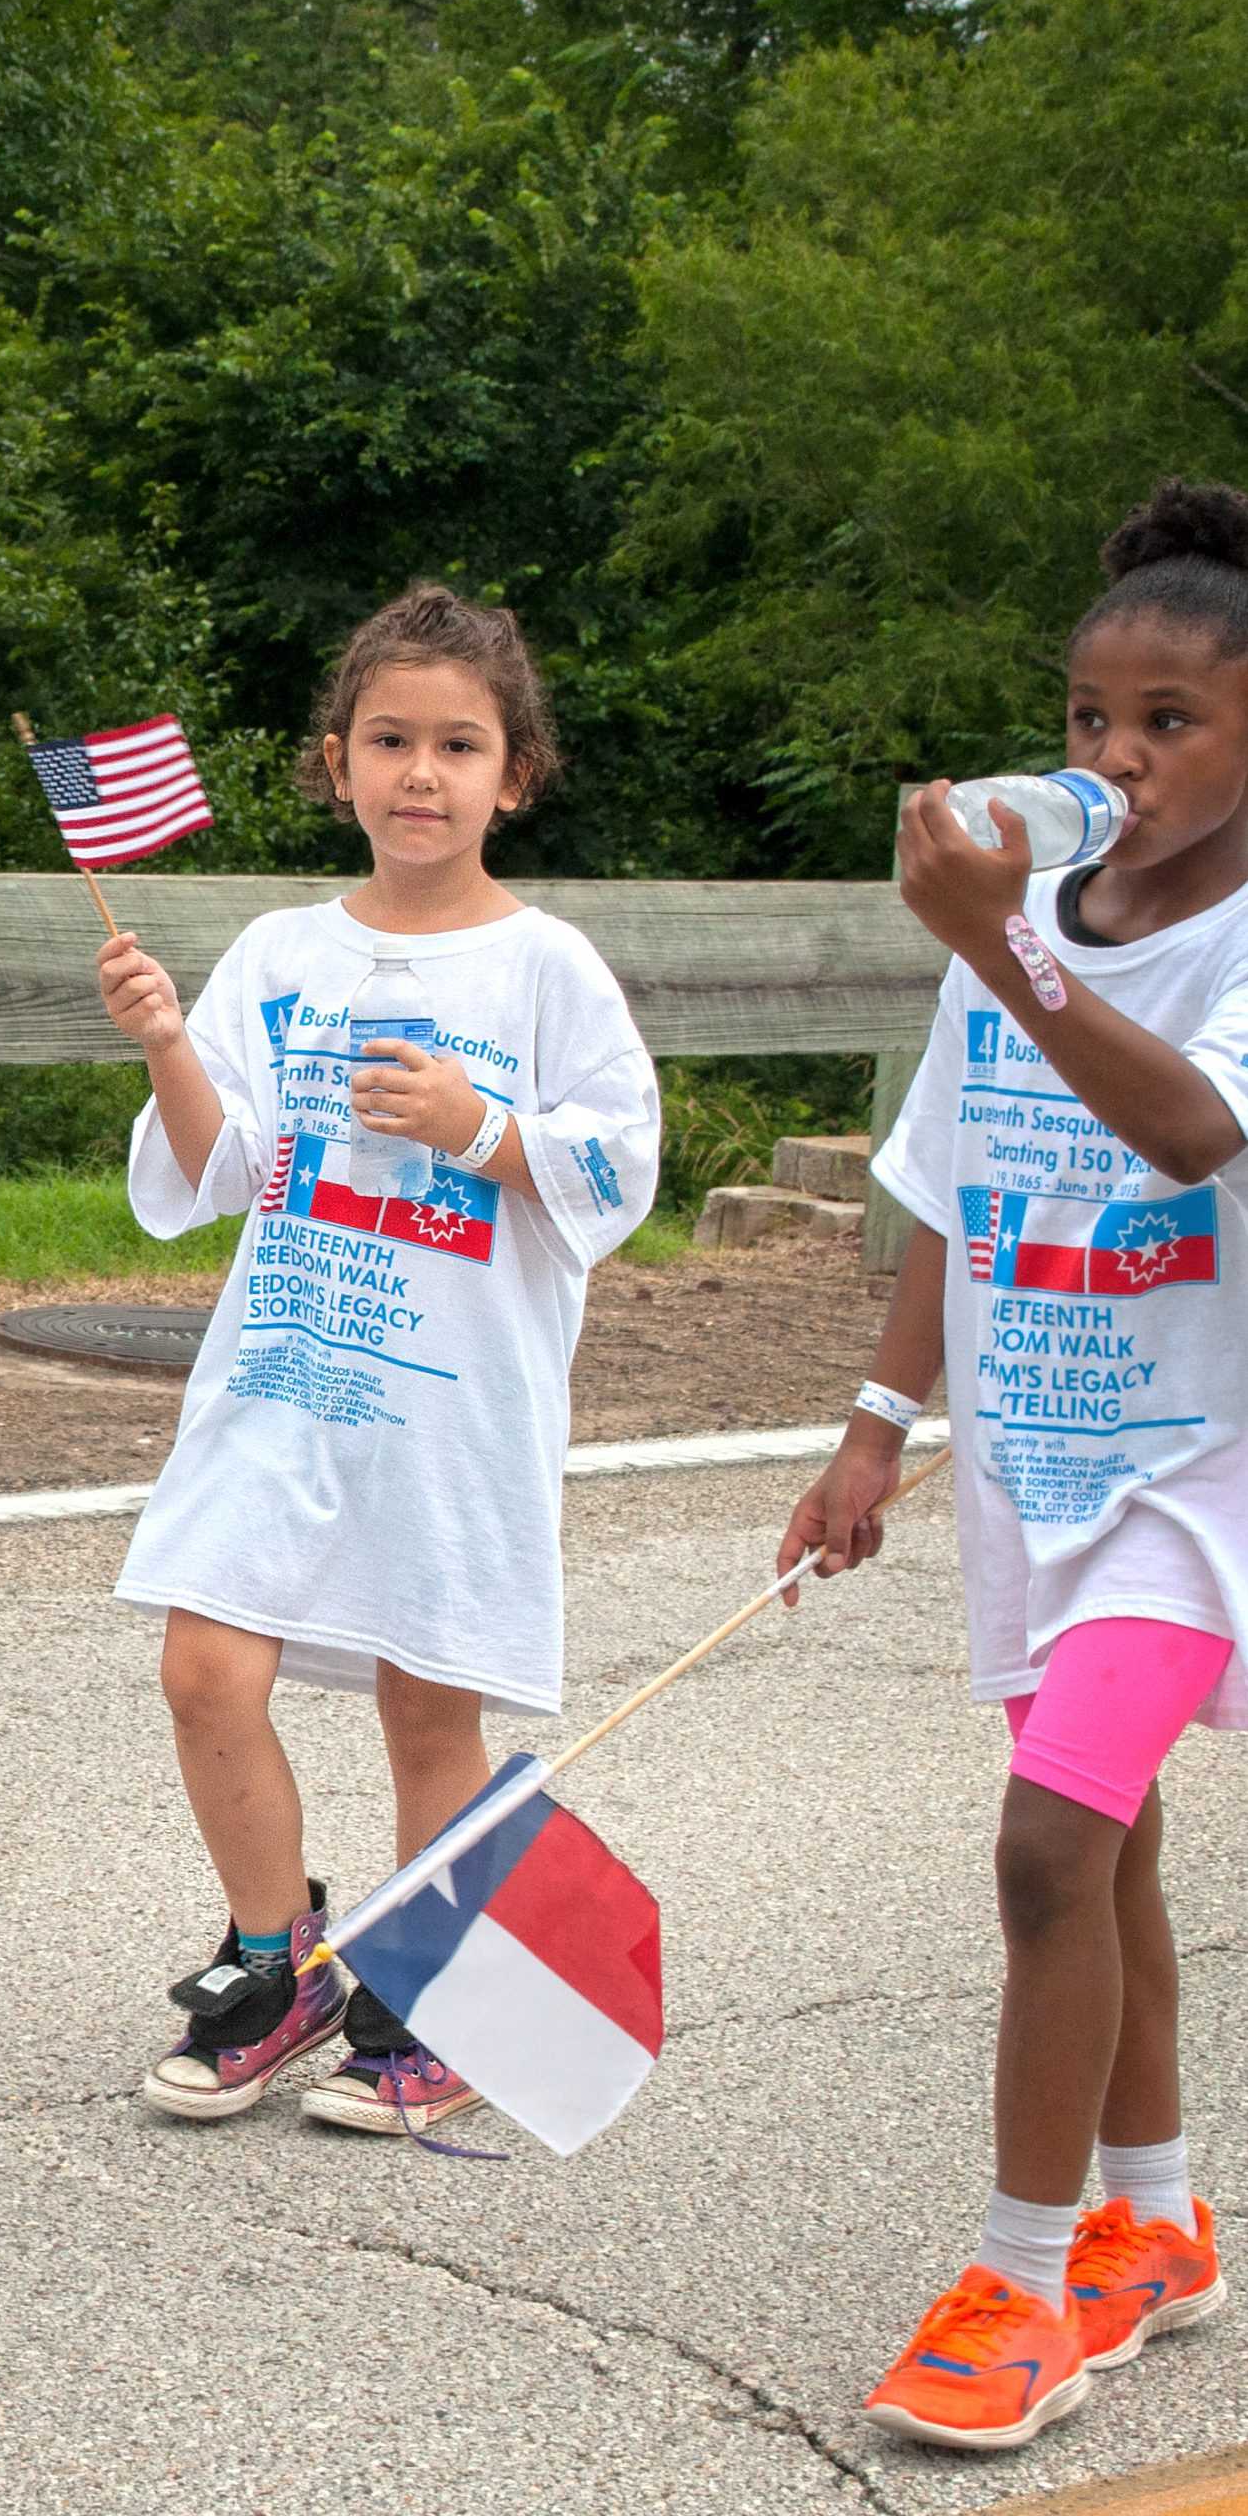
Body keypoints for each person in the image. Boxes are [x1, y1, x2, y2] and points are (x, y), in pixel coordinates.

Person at [779, 479, 1248, 2449]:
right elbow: (949, 1199)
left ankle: (1018, 2280)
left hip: (1196, 1472)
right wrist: (875, 1425)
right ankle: (1150, 2224)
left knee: (1044, 1844)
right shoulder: (1017, 929)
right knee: (1109, 1834)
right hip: (1032, 1459)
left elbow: (1179, 1135)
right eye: (1082, 718)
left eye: (1166, 721)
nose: (1114, 758)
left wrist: (996, 947)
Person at [98, 584, 659, 2137]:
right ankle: (274, 1965)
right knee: (203, 1666)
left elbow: (617, 1169)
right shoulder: (280, 952)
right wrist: (162, 1041)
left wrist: (479, 1130)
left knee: (427, 1712)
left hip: (450, 1416)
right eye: (389, 740)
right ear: (334, 761)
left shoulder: (546, 971)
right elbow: (210, 1169)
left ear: (513, 775)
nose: (421, 773)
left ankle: (431, 1999)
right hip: (280, 1381)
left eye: (457, 745)